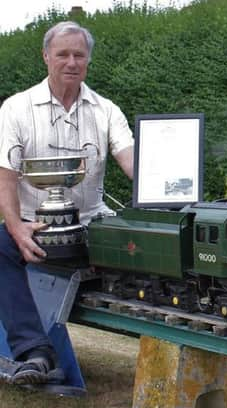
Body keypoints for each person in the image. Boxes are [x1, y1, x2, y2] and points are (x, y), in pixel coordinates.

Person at [0, 21, 134, 384]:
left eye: (79, 54)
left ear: (88, 60)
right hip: (34, 227)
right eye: (62, 54)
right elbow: (6, 176)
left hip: (92, 225)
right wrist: (16, 227)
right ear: (46, 57)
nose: (71, 62)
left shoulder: (107, 110)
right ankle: (33, 353)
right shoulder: (15, 109)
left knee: (150, 245)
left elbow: (131, 160)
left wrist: (164, 184)